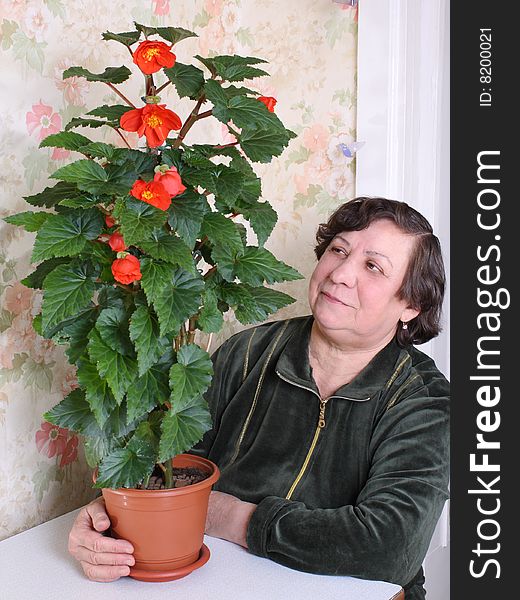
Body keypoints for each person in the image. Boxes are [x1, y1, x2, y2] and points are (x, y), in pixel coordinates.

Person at [68, 196, 450, 600]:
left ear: (411, 305)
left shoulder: (424, 401)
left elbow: (389, 546)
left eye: (372, 266)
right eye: (339, 249)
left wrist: (232, 517)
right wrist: (106, 518)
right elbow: (163, 464)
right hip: (215, 582)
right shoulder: (245, 352)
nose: (340, 273)